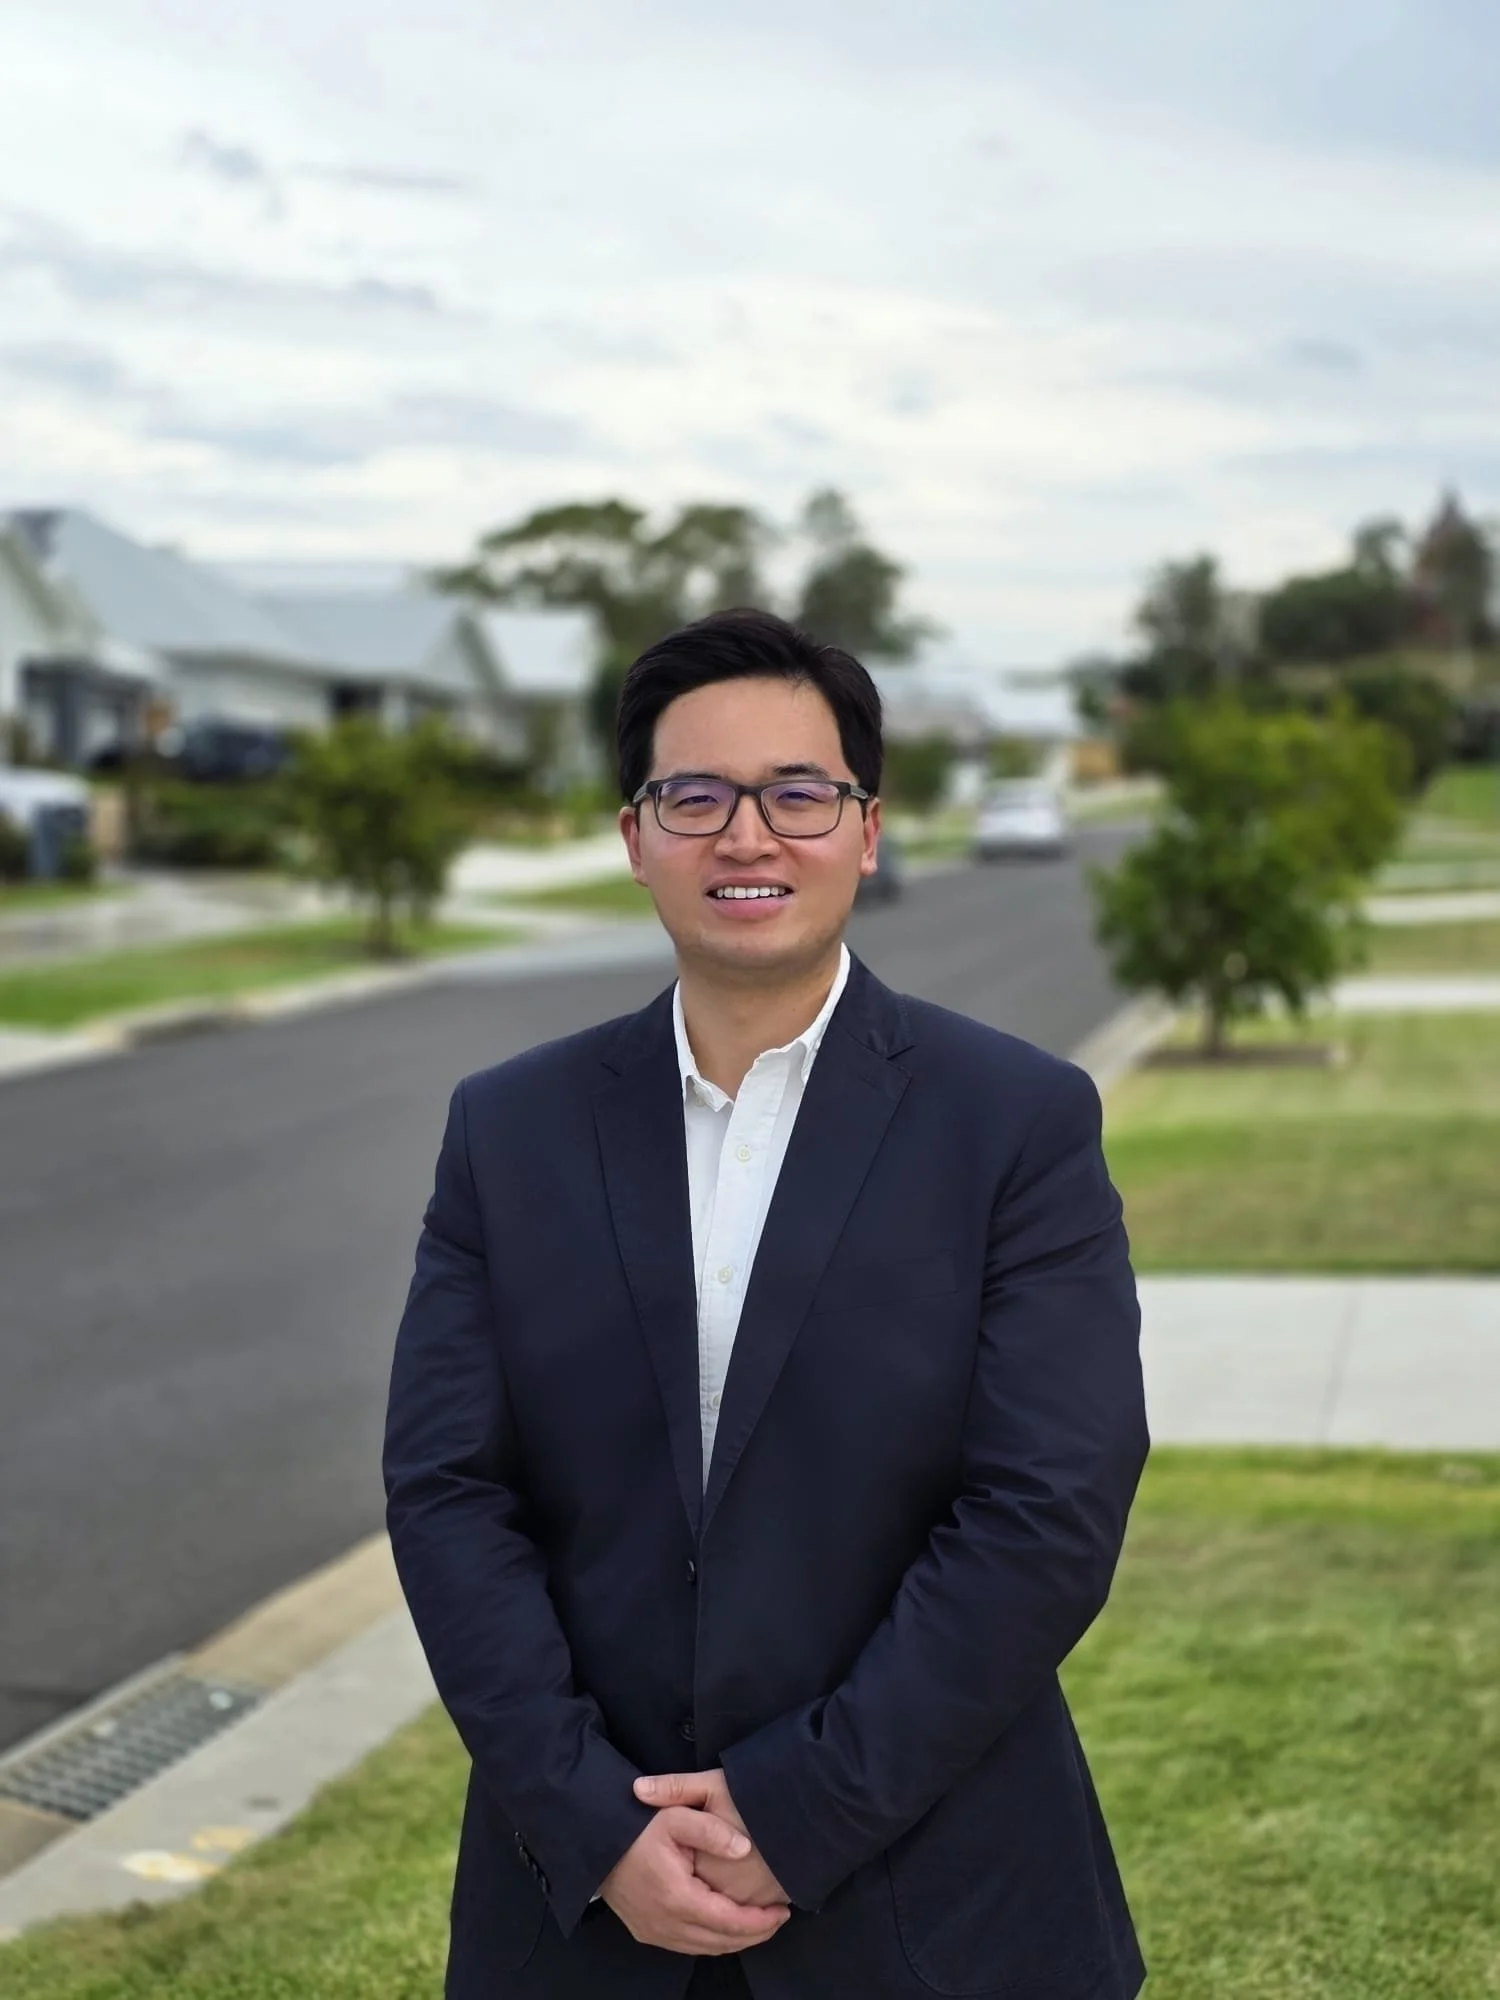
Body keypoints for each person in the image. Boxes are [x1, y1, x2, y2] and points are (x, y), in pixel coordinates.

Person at [383, 607, 1149, 2000]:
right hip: (579, 1917)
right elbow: (448, 1494)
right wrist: (592, 1821)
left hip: (939, 1908)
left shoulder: (1016, 1123)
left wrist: (799, 1812)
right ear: (635, 837)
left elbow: (1052, 1503)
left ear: (866, 829)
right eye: (697, 796)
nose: (748, 836)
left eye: (799, 793)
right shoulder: (508, 1131)